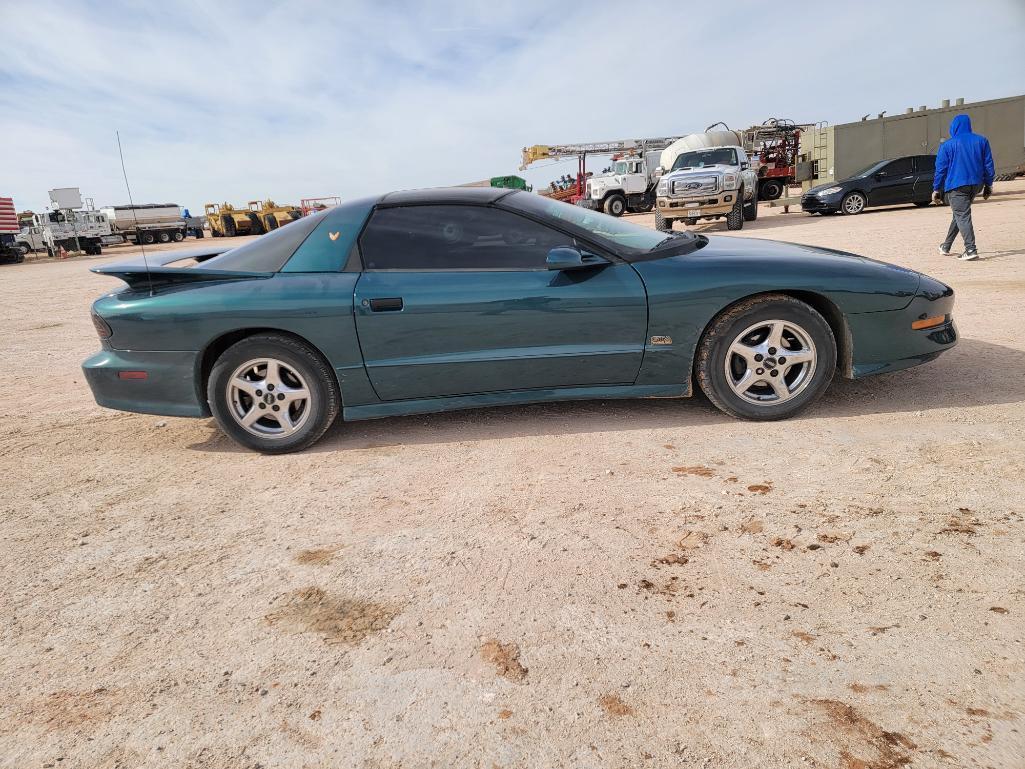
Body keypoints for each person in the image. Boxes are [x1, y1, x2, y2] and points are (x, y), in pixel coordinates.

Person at [933, 114, 994, 261]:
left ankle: (970, 249)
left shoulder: (947, 145)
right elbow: (988, 165)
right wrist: (988, 184)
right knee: (959, 214)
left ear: (953, 127)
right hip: (975, 184)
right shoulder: (982, 141)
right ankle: (946, 246)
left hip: (956, 185)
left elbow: (940, 169)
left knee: (962, 215)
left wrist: (936, 189)